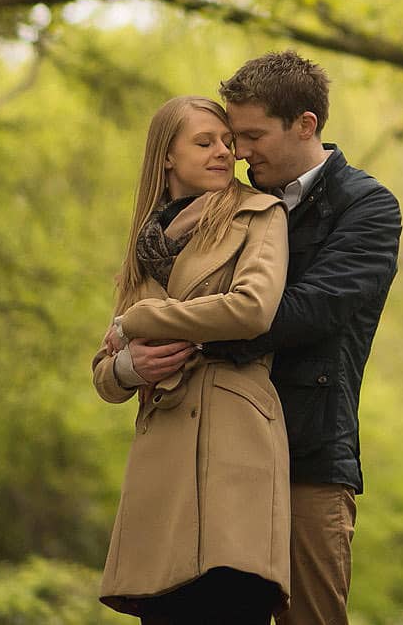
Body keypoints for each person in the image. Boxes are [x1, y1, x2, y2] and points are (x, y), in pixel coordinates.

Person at [207, 51, 402, 625]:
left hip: (310, 458)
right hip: (226, 451)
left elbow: (308, 310)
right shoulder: (234, 202)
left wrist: (195, 337)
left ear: (306, 125)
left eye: (252, 135)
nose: (239, 152)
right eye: (232, 136)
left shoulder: (368, 207)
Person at [92, 94, 293, 624]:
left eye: (228, 142)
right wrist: (130, 368)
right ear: (166, 156)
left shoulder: (259, 215)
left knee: (230, 602)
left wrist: (140, 323)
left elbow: (251, 309)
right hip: (161, 461)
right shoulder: (145, 241)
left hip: (234, 446)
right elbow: (104, 369)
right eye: (205, 143)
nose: (224, 153)